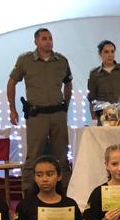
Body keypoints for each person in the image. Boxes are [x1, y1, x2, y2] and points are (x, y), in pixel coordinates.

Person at [8, 27, 73, 193]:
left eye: (50, 38)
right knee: (33, 156)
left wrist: (66, 104)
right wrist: (12, 109)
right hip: (37, 115)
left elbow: (68, 83)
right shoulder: (25, 60)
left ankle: (65, 193)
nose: (48, 41)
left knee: (62, 156)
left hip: (58, 114)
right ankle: (28, 195)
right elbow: (11, 83)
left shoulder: (61, 61)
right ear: (36, 41)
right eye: (44, 38)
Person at [87, 40, 120, 122]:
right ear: (100, 53)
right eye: (106, 52)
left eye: (112, 51)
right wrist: (94, 120)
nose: (110, 55)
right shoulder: (94, 74)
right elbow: (92, 98)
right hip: (104, 117)